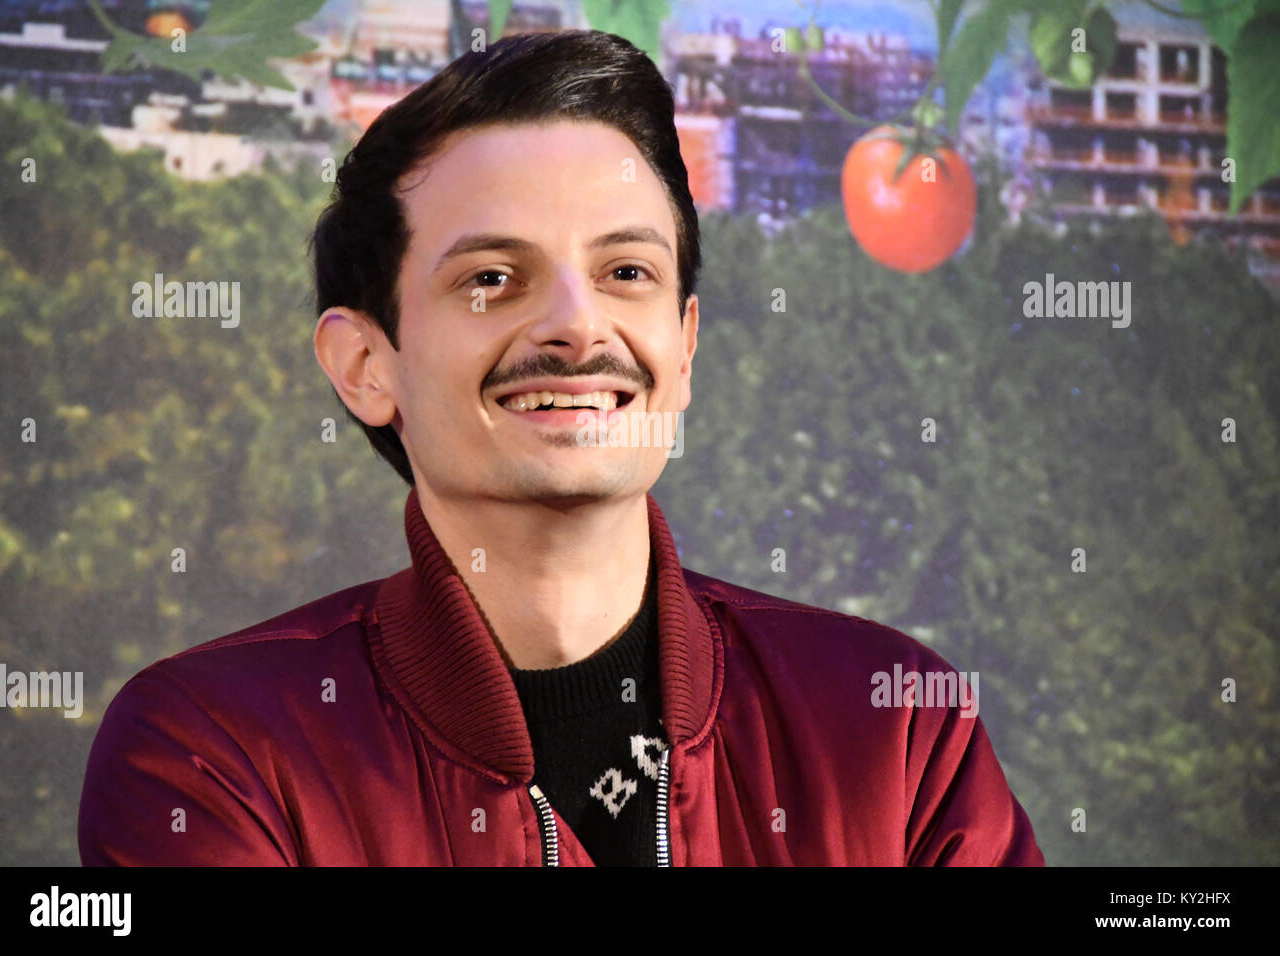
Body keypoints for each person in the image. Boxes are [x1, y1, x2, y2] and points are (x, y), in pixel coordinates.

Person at [78, 30, 1043, 866]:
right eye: (494, 277)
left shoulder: (897, 731)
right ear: (366, 364)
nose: (580, 329)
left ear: (686, 342)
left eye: (626, 271)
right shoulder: (213, 751)